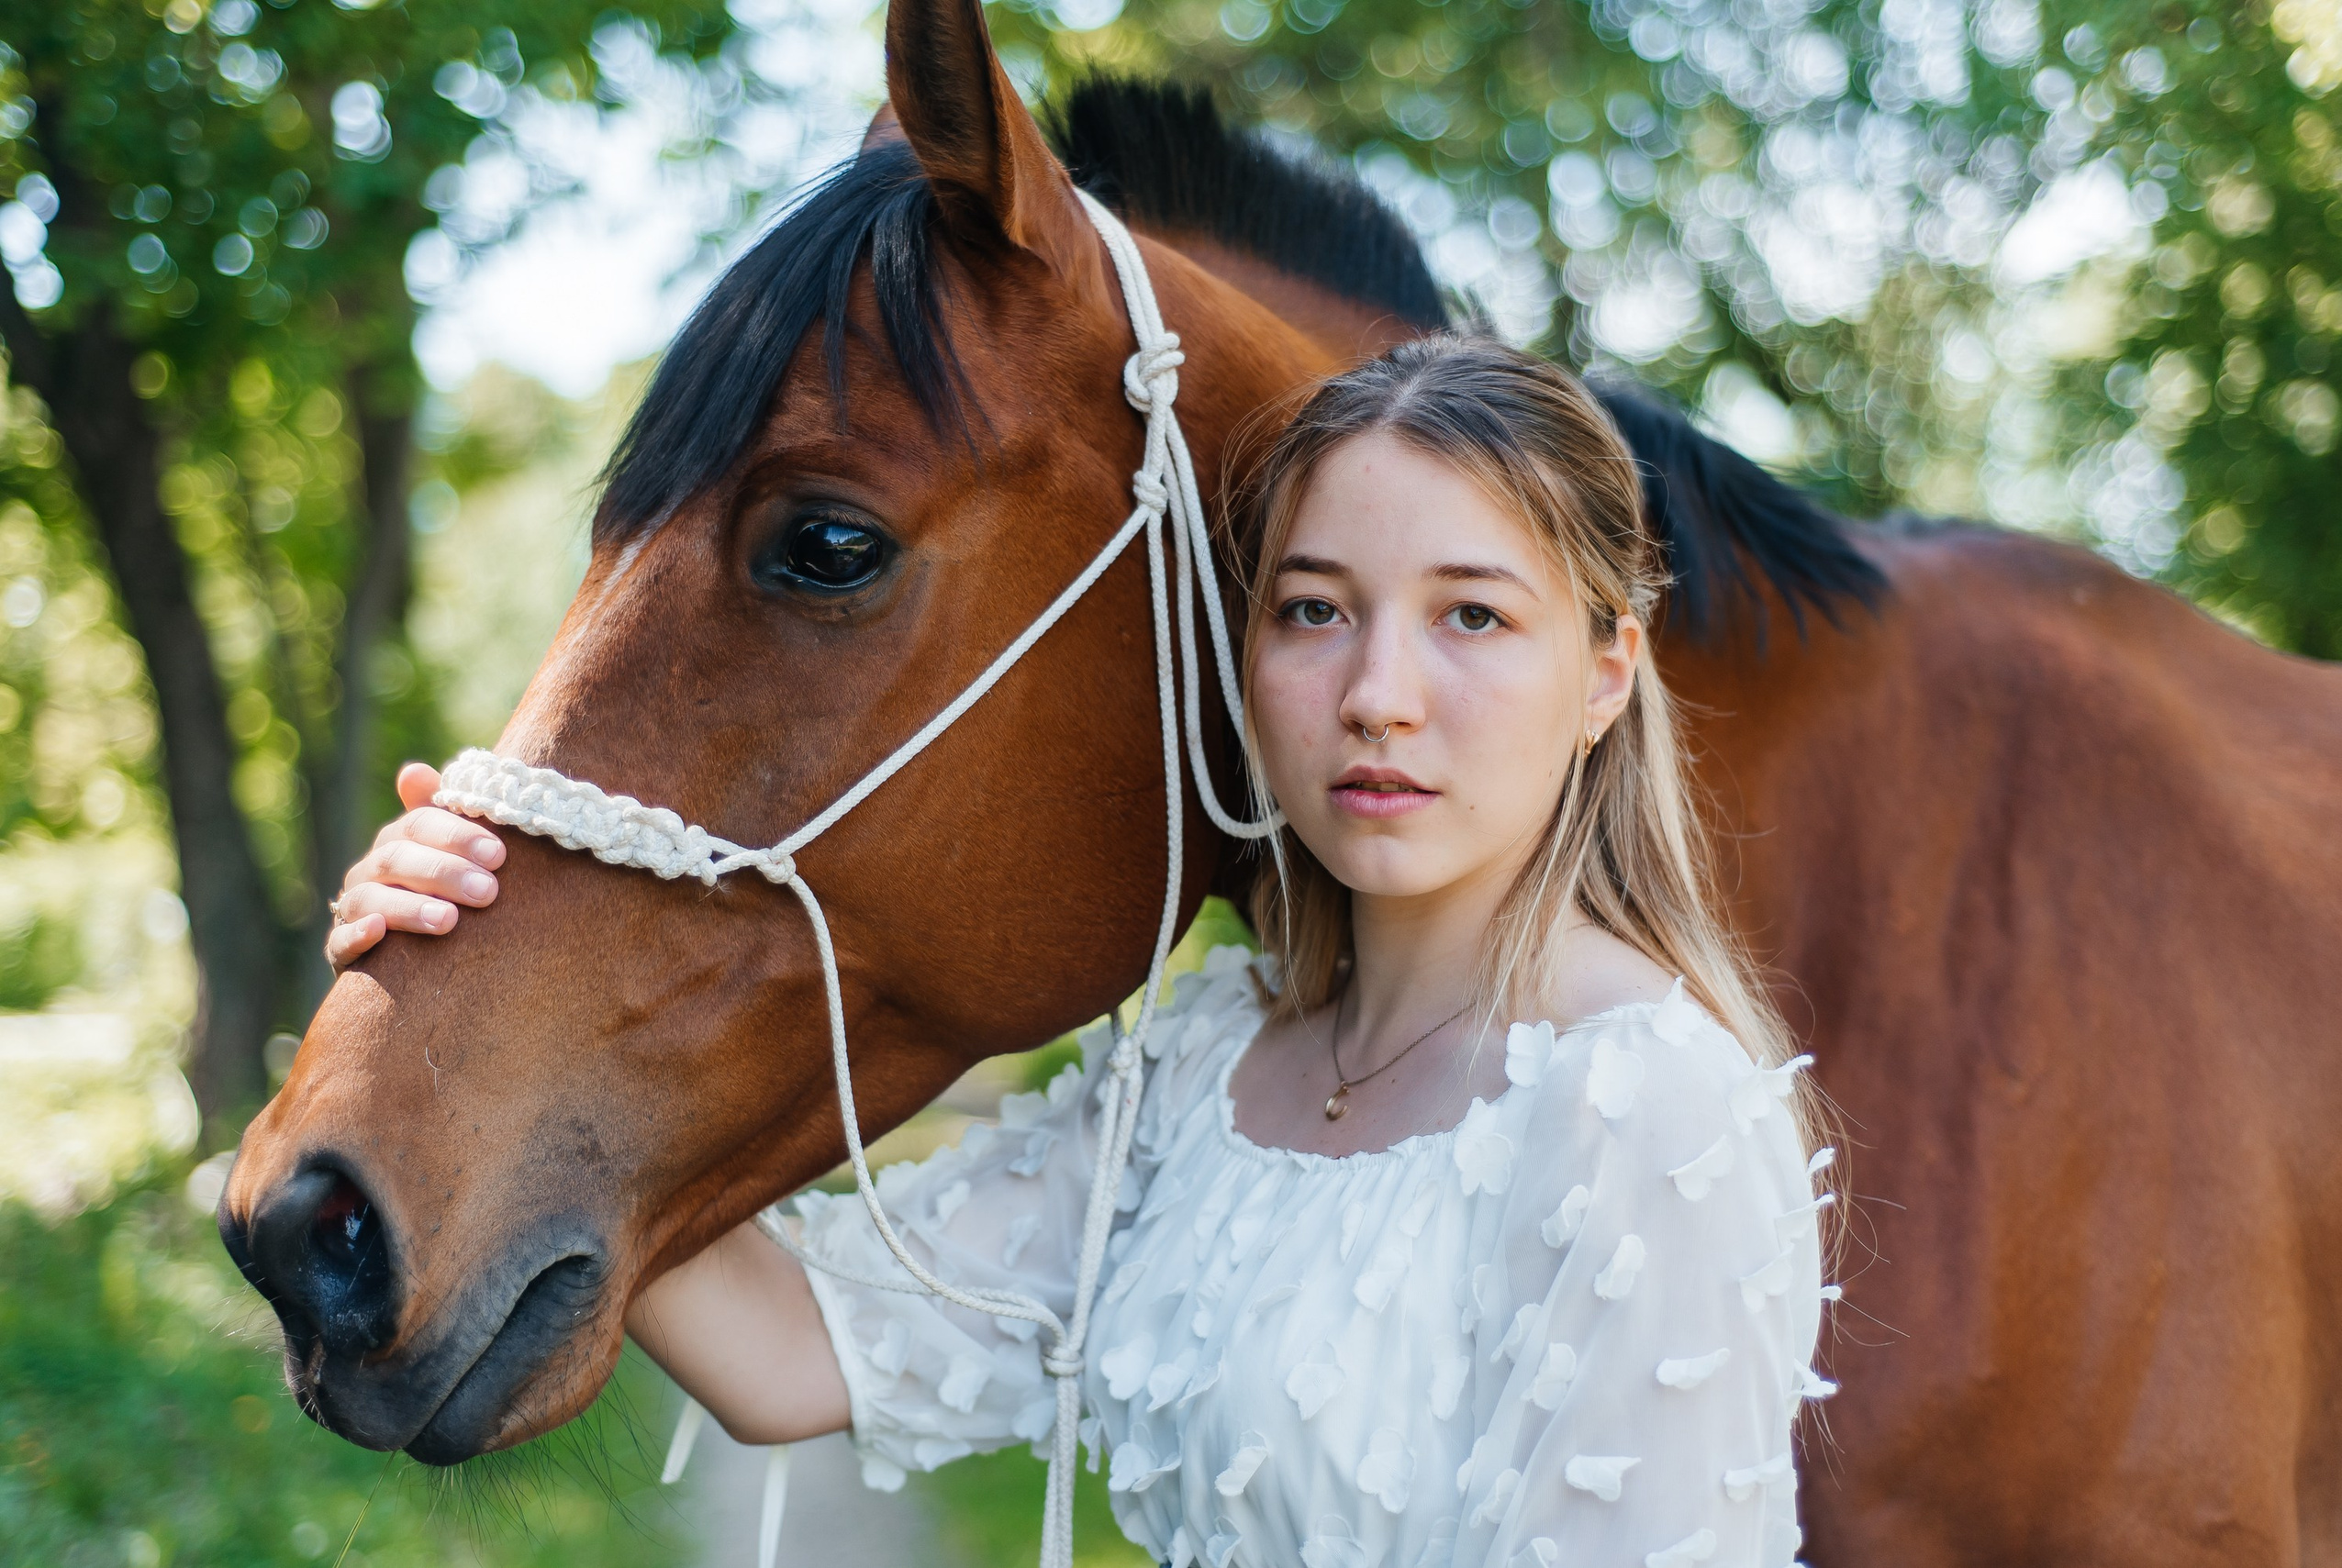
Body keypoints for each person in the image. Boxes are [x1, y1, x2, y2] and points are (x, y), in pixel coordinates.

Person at [327, 335, 1832, 1568]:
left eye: (1473, 618)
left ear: (1604, 670)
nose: (1379, 692)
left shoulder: (1646, 1108)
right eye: (1315, 609)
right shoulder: (1208, 1060)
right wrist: (478, 983)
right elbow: (796, 1345)